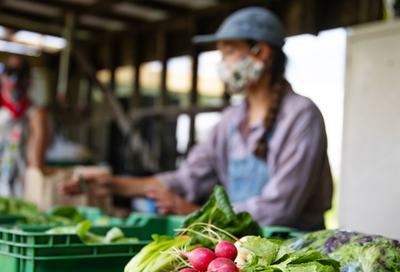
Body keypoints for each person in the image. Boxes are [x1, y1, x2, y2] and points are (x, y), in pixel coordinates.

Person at [61, 7, 332, 230]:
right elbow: (187, 178)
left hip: (294, 254)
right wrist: (112, 183)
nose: (222, 63)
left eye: (228, 52)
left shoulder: (301, 116)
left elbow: (279, 208)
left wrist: (195, 212)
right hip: (242, 246)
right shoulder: (231, 120)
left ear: (260, 53)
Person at [0, 55, 49, 197]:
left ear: (28, 81)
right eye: (9, 74)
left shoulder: (35, 115)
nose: (14, 82)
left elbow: (35, 163)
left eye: (20, 75)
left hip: (20, 191)